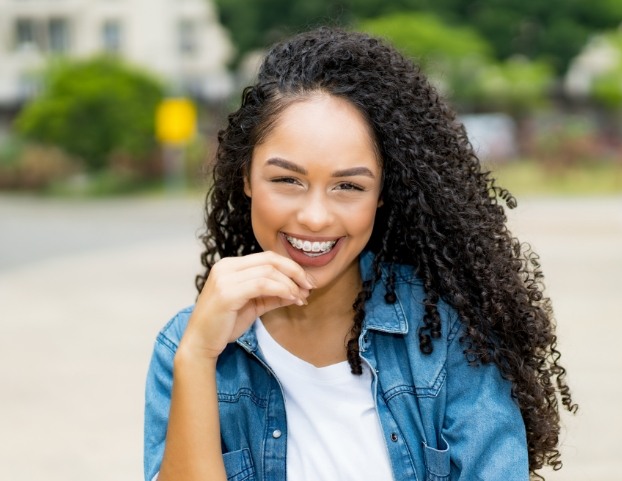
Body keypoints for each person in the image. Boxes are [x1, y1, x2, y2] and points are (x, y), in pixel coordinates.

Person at [144, 27, 576, 481]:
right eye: (287, 180)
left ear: (382, 194)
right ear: (246, 177)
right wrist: (197, 356)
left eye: (348, 186)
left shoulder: (449, 334)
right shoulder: (185, 345)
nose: (314, 217)